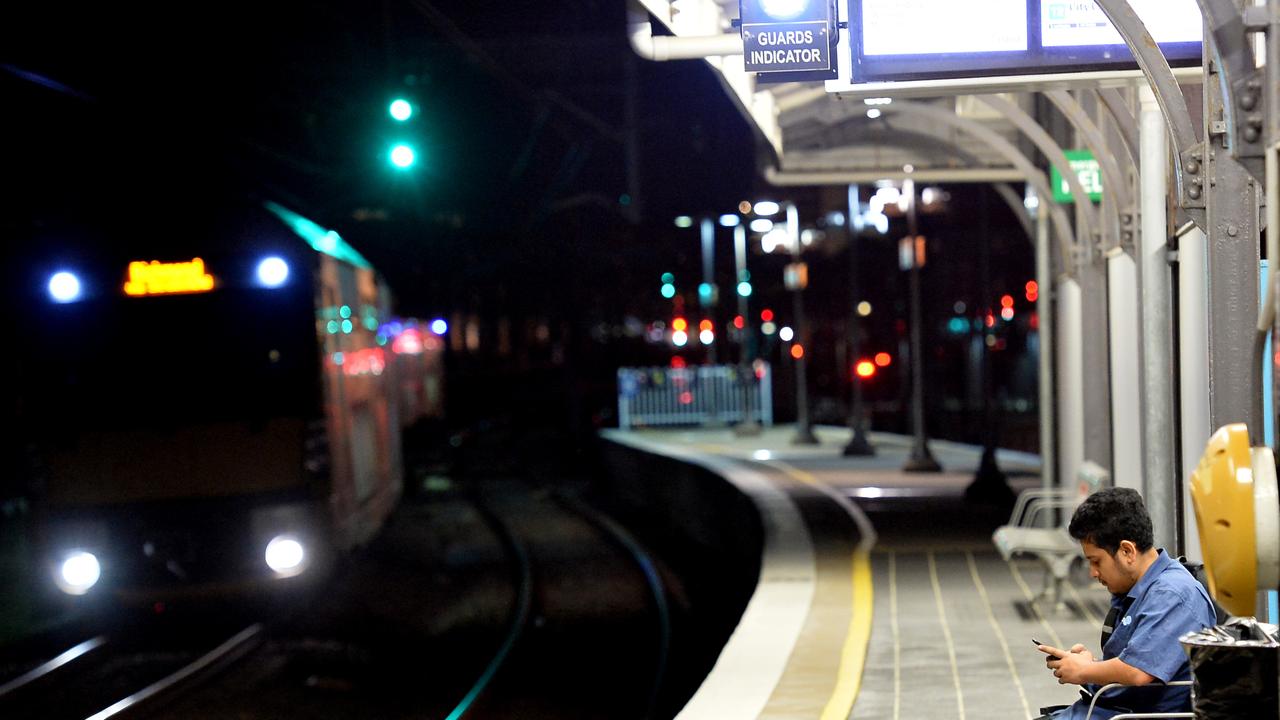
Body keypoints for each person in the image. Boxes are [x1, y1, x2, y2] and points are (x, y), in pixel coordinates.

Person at [1035, 487, 1217, 720]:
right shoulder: (1137, 588)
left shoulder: (1173, 594)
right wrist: (1091, 664)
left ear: (1127, 551)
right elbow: (1133, 661)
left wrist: (1084, 670)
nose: (1092, 572)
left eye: (1096, 561)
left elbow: (1137, 672)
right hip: (1111, 709)